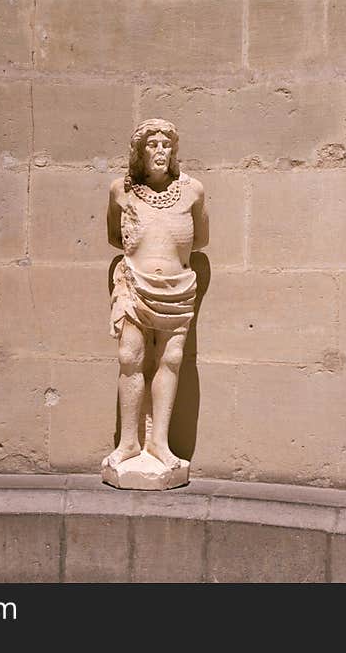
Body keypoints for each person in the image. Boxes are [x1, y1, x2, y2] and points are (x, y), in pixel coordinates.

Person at [104, 119, 208, 475]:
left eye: (166, 144)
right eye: (152, 145)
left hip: (178, 288)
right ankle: (129, 442)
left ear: (174, 151)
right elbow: (115, 238)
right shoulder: (121, 190)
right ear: (139, 152)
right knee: (129, 357)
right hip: (134, 285)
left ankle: (159, 443)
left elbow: (202, 240)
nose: (160, 151)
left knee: (172, 359)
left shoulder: (193, 191)